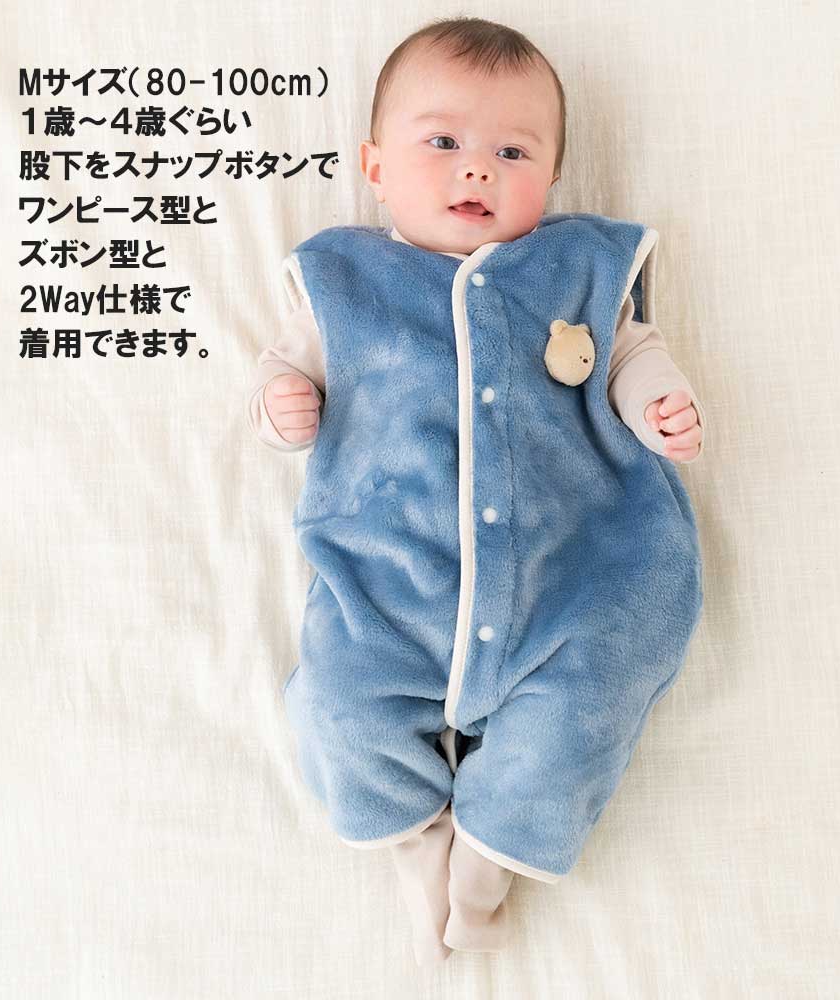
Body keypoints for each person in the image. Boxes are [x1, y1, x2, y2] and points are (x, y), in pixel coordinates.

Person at [246, 17, 706, 966]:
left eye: (512, 153)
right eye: (444, 142)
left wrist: (657, 401)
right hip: (390, 589)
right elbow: (283, 371)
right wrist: (282, 404)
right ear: (375, 166)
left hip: (571, 577)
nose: (476, 170)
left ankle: (490, 858)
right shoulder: (346, 281)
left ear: (552, 176)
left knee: (585, 705)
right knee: (336, 708)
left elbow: (631, 352)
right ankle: (419, 841)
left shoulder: (575, 269)